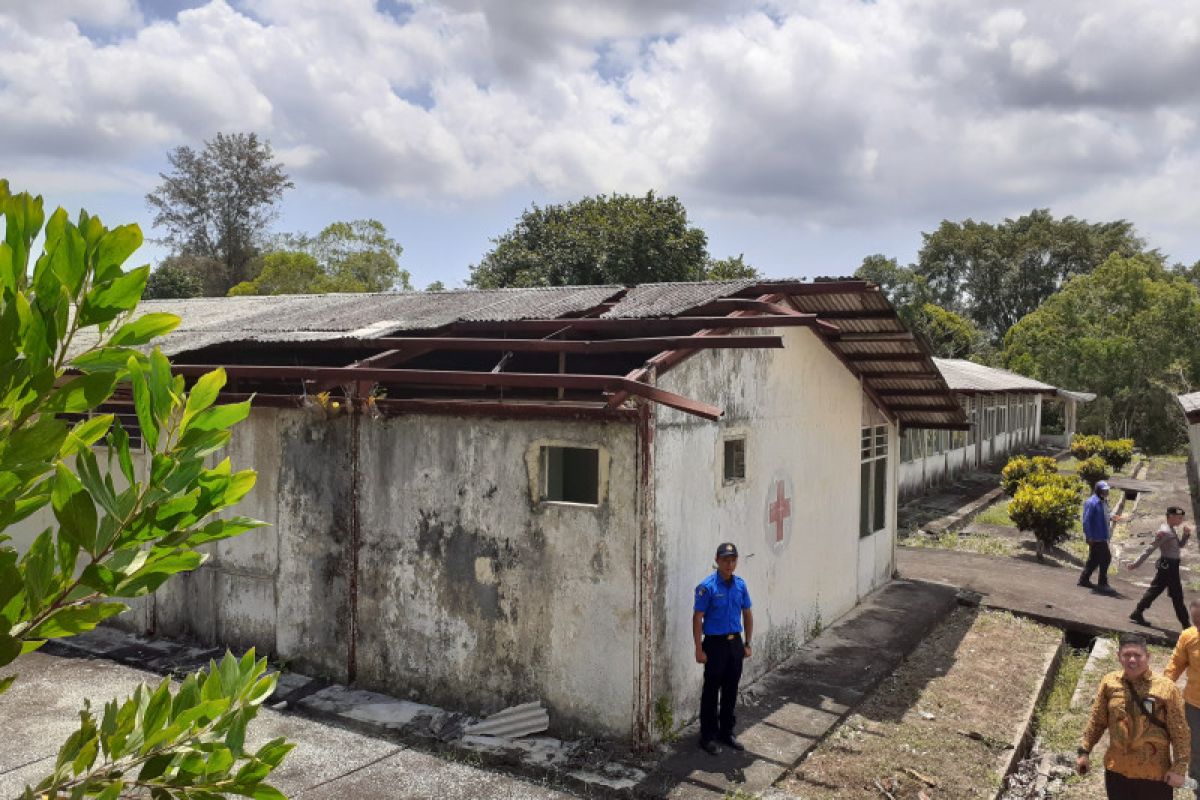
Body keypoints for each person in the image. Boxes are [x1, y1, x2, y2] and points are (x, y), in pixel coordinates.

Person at [1077, 632, 1190, 797]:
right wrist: (1084, 751)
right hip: (1117, 771)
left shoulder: (1166, 689)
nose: (1132, 660)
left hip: (1154, 775)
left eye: (1137, 655)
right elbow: (1097, 720)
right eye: (1126, 655)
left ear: (1148, 656)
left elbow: (1180, 731)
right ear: (1118, 657)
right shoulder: (1109, 683)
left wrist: (1179, 768)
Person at [692, 542, 753, 755]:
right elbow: (698, 618)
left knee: (731, 689)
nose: (729, 564)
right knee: (711, 690)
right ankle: (708, 736)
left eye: (733, 559)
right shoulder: (707, 587)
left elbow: (747, 613)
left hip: (734, 643)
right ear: (717, 561)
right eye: (725, 560)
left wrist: (747, 643)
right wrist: (698, 649)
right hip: (715, 644)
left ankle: (726, 732)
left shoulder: (740, 585)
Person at [1129, 506, 1194, 629]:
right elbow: (1150, 548)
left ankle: (1137, 612)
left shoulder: (1171, 529)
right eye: (1179, 518)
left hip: (1171, 566)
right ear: (1171, 517)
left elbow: (1179, 546)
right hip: (1168, 567)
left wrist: (1185, 535)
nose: (1181, 520)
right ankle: (1186, 625)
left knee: (1155, 591)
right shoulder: (1164, 531)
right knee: (1177, 596)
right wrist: (1136, 563)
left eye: (1182, 518)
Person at [1164, 598, 1200, 798]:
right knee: (1196, 750)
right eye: (1196, 622)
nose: (1199, 627)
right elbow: (1176, 664)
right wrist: (1163, 688)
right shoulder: (1189, 637)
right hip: (1195, 706)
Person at [1080, 480, 1125, 594]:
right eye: (1104, 490)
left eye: (1107, 490)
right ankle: (1102, 584)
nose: (1106, 492)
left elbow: (1105, 514)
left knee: (1094, 559)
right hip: (1096, 536)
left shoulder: (1103, 502)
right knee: (1106, 558)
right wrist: (1089, 536)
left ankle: (1084, 579)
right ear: (1098, 490)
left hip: (1102, 535)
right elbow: (1086, 521)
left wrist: (1112, 517)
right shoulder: (1092, 503)